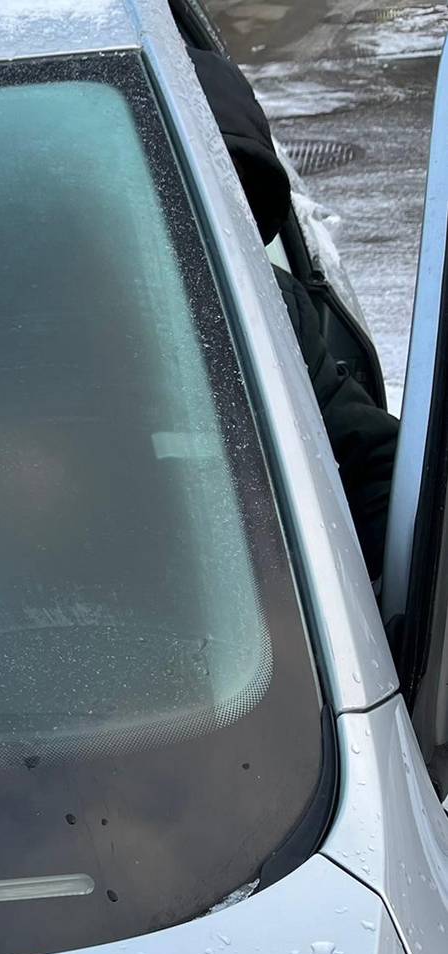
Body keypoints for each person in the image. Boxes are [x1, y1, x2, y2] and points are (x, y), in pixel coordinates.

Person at [192, 47, 398, 578]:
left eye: (222, 205)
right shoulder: (8, 350)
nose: (191, 233)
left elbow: (371, 466)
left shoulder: (265, 307)